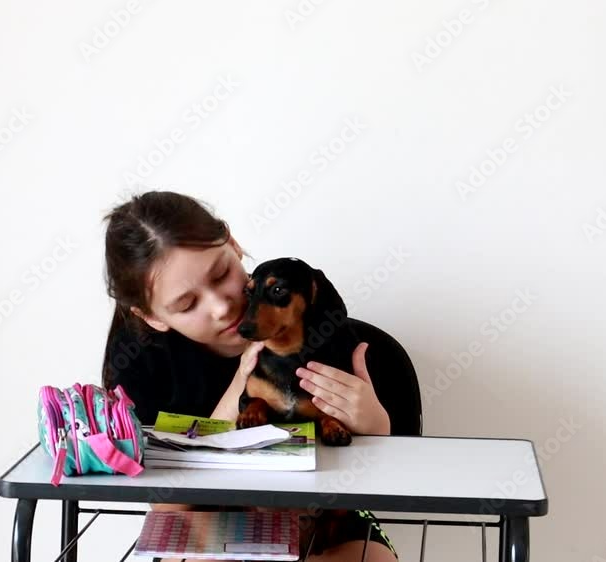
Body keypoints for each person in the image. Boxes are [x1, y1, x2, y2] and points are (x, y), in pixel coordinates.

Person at [100, 190, 422, 562]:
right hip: (208, 516)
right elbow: (169, 509)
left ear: (233, 244)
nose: (222, 307)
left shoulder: (331, 336)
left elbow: (388, 484)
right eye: (188, 304)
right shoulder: (140, 362)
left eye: (221, 274)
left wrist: (375, 426)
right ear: (151, 316)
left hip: (330, 516)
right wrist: (243, 381)